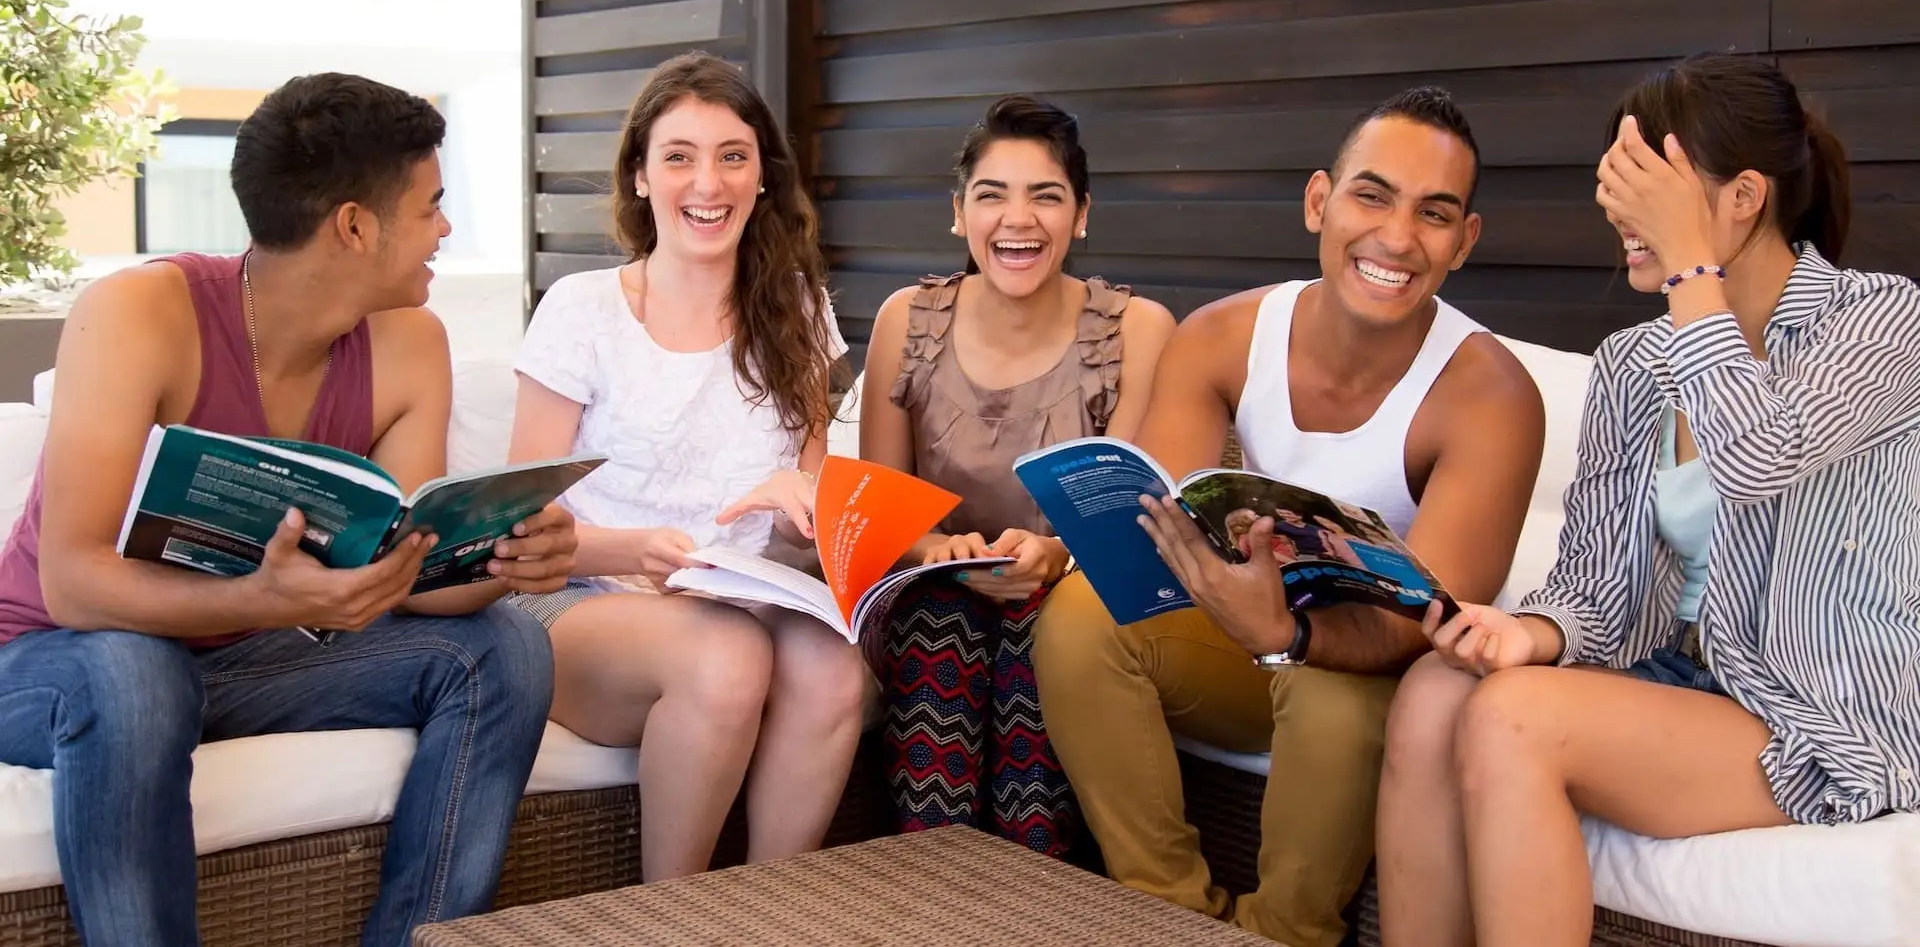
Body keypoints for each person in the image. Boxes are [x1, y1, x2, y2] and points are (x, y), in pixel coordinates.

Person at [0, 73, 576, 947]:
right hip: (52, 660)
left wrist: (502, 560)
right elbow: (76, 584)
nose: (447, 230)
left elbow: (402, 579)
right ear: (354, 224)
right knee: (135, 674)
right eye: (432, 206)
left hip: (243, 659)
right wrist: (264, 602)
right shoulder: (137, 313)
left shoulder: (410, 344)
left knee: (505, 648)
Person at [1375, 54, 1920, 947]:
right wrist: (1533, 633)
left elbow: (1757, 456)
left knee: (1519, 719)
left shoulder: (1878, 321)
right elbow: (1598, 588)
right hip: (1682, 679)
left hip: (1820, 710)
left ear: (1743, 197)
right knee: (1440, 690)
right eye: (1614, 179)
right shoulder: (1636, 364)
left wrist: (1688, 274)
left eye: (1644, 183)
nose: (1615, 207)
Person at [1032, 87, 1546, 946]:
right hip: (1239, 639)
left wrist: (1292, 636)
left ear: (1465, 240)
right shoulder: (1225, 335)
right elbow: (1157, 534)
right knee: (1079, 622)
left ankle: (1286, 934)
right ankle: (1168, 914)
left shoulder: (1489, 395)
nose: (1396, 236)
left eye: (1434, 213)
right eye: (1371, 195)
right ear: (1320, 201)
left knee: (1332, 704)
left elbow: (1431, 622)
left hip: (1362, 671)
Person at [501, 51, 870, 883]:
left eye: (733, 156)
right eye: (679, 156)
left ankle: (767, 914)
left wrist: (798, 507)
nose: (709, 182)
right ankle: (671, 915)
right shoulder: (583, 309)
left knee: (832, 667)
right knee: (726, 656)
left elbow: (814, 509)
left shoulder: (798, 309)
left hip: (738, 595)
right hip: (582, 600)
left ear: (762, 177)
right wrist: (633, 551)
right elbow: (515, 525)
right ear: (640, 176)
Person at [859, 95, 1175, 855]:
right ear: (959, 214)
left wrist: (1054, 556)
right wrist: (942, 553)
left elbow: (1128, 514)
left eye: (1046, 196)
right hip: (931, 586)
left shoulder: (1139, 330)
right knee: (945, 626)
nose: (1018, 219)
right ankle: (935, 880)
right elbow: (877, 506)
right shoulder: (907, 318)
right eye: (992, 195)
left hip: (1076, 586)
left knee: (1042, 633)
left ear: (1083, 214)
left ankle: (1039, 887)